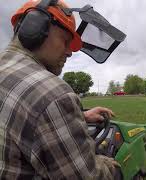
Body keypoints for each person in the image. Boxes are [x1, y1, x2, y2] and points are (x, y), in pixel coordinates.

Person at [0, 0, 119, 179]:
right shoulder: (52, 94)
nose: (70, 52)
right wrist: (111, 165)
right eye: (65, 41)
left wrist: (82, 116)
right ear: (35, 28)